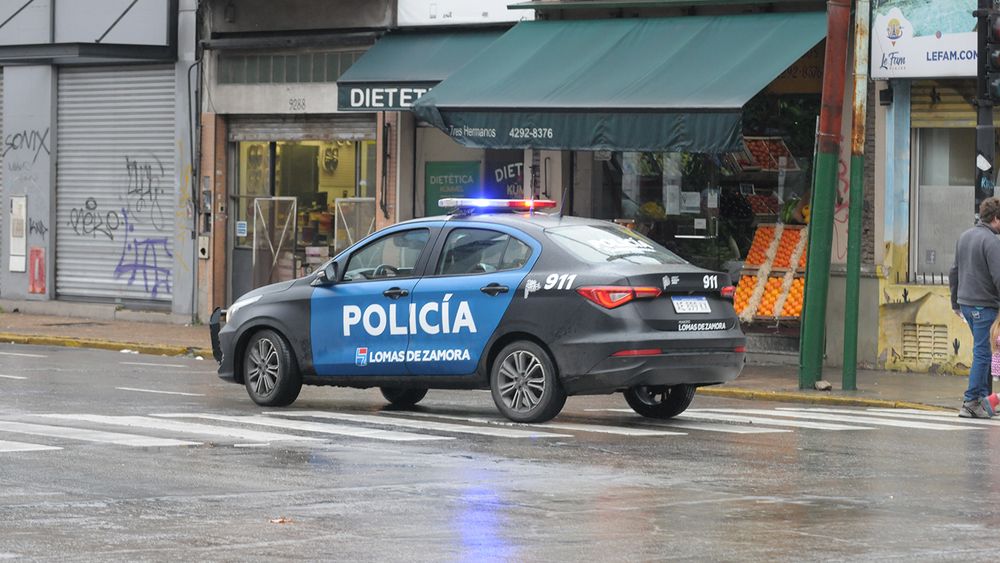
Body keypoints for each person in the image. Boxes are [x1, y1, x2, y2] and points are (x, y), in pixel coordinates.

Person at [949, 197, 1000, 418]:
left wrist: (955, 303)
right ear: (996, 218)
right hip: (984, 305)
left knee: (983, 351)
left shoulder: (964, 236)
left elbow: (954, 271)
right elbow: (998, 276)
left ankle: (983, 402)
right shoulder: (991, 240)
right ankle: (970, 401)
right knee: (982, 352)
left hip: (966, 304)